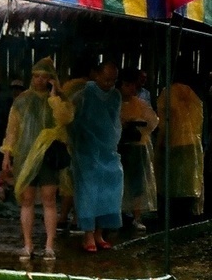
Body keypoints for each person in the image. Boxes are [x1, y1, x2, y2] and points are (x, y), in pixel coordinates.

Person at [0, 58, 73, 260]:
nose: (39, 80)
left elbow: (65, 119)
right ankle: (28, 244)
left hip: (49, 155)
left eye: (44, 77)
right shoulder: (22, 100)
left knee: (49, 199)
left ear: (51, 79)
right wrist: (7, 154)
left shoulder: (60, 100)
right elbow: (12, 129)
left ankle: (49, 245)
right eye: (36, 76)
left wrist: (54, 96)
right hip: (25, 155)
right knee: (27, 199)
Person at [69, 61, 124, 253]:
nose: (110, 83)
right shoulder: (83, 96)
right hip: (86, 152)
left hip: (108, 151)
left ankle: (100, 233)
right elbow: (72, 122)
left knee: (109, 193)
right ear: (97, 75)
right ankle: (88, 235)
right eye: (107, 79)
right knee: (88, 193)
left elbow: (116, 123)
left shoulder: (116, 96)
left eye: (113, 80)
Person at [154, 70, 205, 222]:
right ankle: (187, 213)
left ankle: (171, 214)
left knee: (171, 181)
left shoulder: (167, 93)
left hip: (173, 143)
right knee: (188, 181)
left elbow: (163, 122)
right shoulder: (193, 94)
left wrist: (160, 142)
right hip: (192, 145)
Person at [117, 69, 158, 232]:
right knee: (119, 182)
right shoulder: (114, 102)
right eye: (127, 85)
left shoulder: (140, 103)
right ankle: (118, 213)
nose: (131, 89)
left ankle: (137, 216)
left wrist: (138, 125)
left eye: (133, 85)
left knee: (137, 184)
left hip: (138, 146)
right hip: (119, 146)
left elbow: (153, 122)